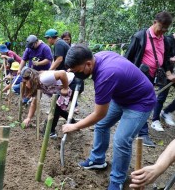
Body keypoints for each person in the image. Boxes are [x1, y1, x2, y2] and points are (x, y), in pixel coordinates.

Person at [62, 44, 156, 190]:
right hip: (122, 96)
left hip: (140, 102)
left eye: (77, 71)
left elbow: (99, 114)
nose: (77, 75)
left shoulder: (106, 76)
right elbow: (101, 117)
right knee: (102, 125)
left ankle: (118, 179)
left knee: (121, 139)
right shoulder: (97, 57)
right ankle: (98, 160)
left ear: (88, 64)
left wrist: (74, 126)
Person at [124, 11, 174, 147]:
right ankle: (143, 133)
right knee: (145, 103)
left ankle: (138, 129)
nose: (162, 31)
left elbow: (164, 60)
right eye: (161, 27)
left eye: (165, 29)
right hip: (137, 77)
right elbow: (128, 58)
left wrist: (169, 74)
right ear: (154, 22)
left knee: (142, 103)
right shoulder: (140, 36)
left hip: (151, 77)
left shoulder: (165, 40)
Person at [21, 67, 76, 138]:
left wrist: (65, 88)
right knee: (58, 108)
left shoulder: (43, 78)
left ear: (31, 79)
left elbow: (62, 73)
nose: (26, 85)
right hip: (62, 88)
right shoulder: (37, 85)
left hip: (72, 84)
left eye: (26, 82)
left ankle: (50, 132)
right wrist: (28, 118)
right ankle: (72, 122)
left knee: (55, 108)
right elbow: (34, 103)